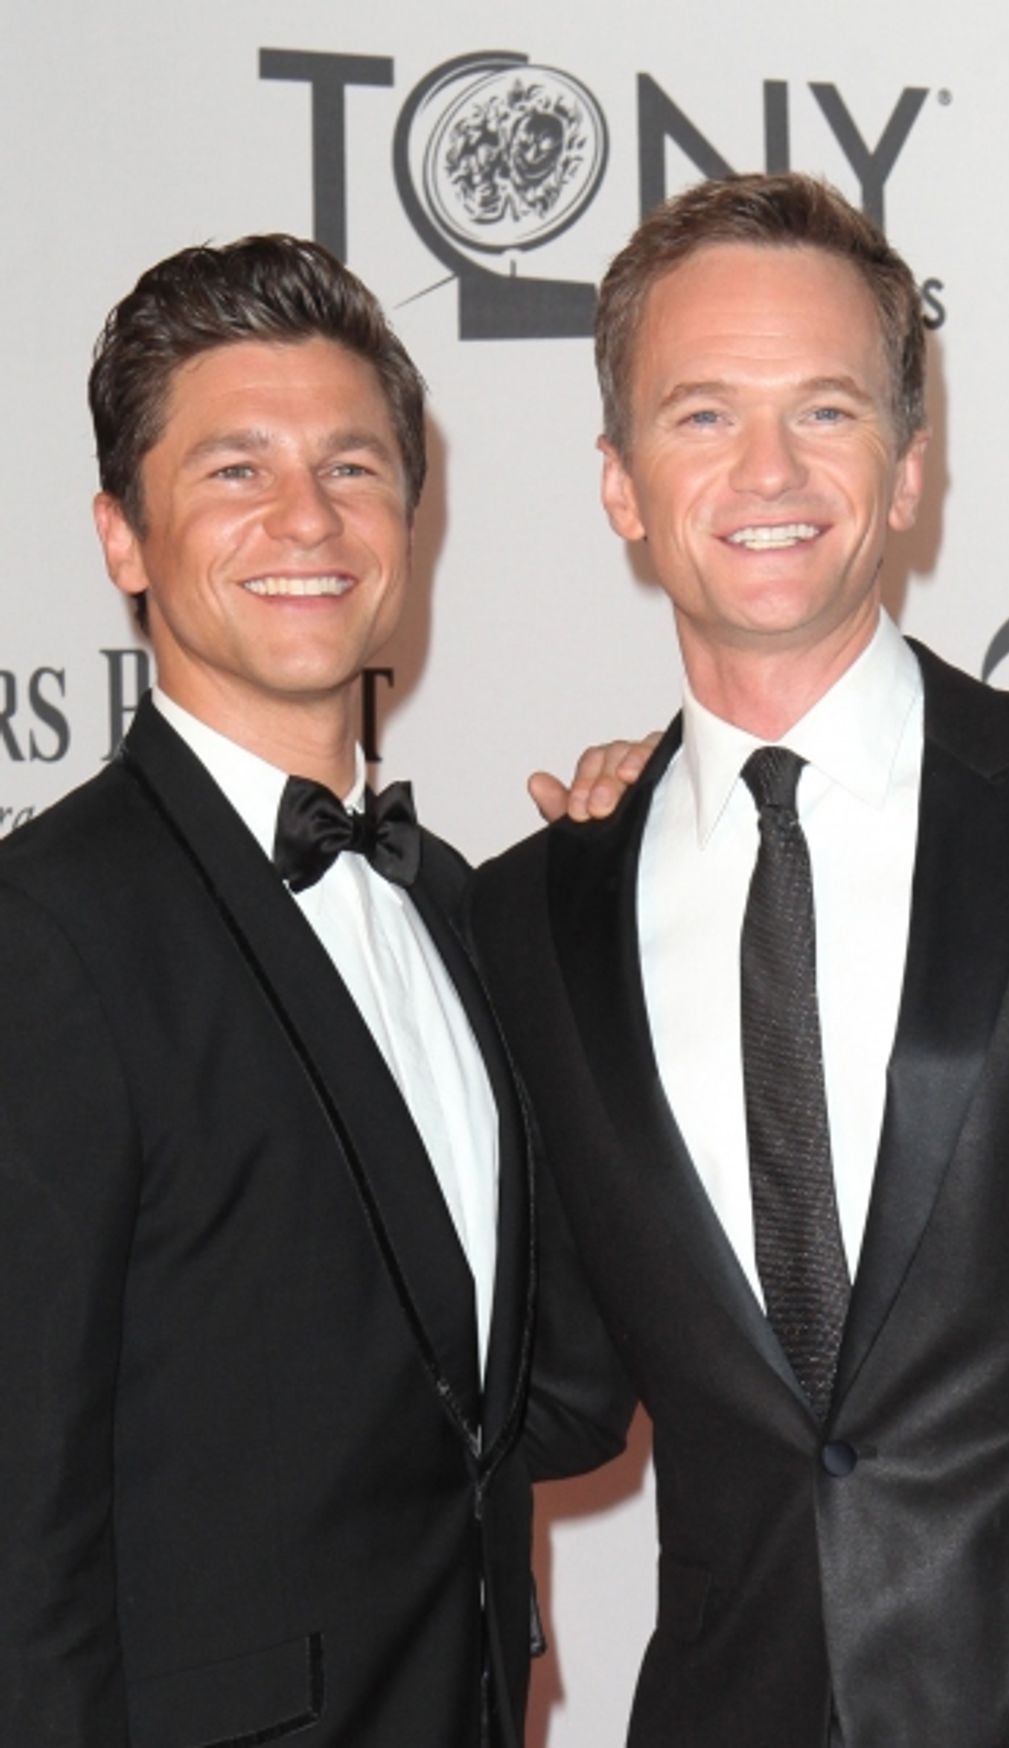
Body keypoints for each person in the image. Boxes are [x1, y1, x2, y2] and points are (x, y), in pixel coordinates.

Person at [469, 171, 1009, 1747]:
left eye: (825, 410)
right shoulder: (529, 919)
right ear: (620, 483)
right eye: (703, 415)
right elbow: (552, 1393)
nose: (768, 471)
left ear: (909, 466)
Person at [0, 234, 632, 1747]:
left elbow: (553, 1406)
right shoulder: (47, 933)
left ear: (411, 515)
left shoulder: (462, 905)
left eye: (353, 468)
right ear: (123, 537)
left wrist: (618, 930)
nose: (307, 517)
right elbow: (20, 1535)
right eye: (237, 470)